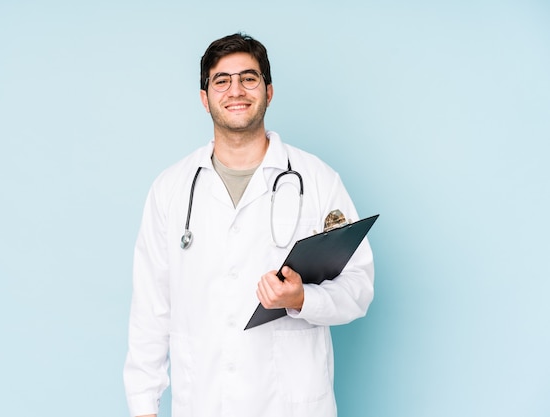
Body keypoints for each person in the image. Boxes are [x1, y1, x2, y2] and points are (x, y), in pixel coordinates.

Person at [123, 32, 375, 417]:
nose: (235, 90)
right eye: (221, 80)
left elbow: (358, 287)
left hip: (290, 404)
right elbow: (151, 310)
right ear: (205, 98)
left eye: (249, 78)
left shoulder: (318, 180)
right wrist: (143, 406)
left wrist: (302, 299)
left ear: (268, 91)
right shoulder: (171, 188)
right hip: (203, 401)